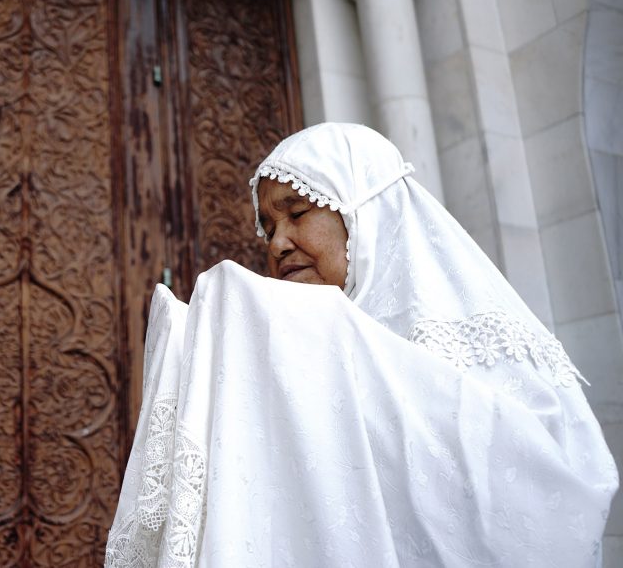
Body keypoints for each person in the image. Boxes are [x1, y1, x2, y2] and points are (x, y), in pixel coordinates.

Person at [105, 123, 618, 567]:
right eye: (268, 228)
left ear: (364, 214)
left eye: (299, 213)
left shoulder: (491, 347)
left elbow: (557, 507)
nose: (277, 243)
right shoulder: (291, 350)